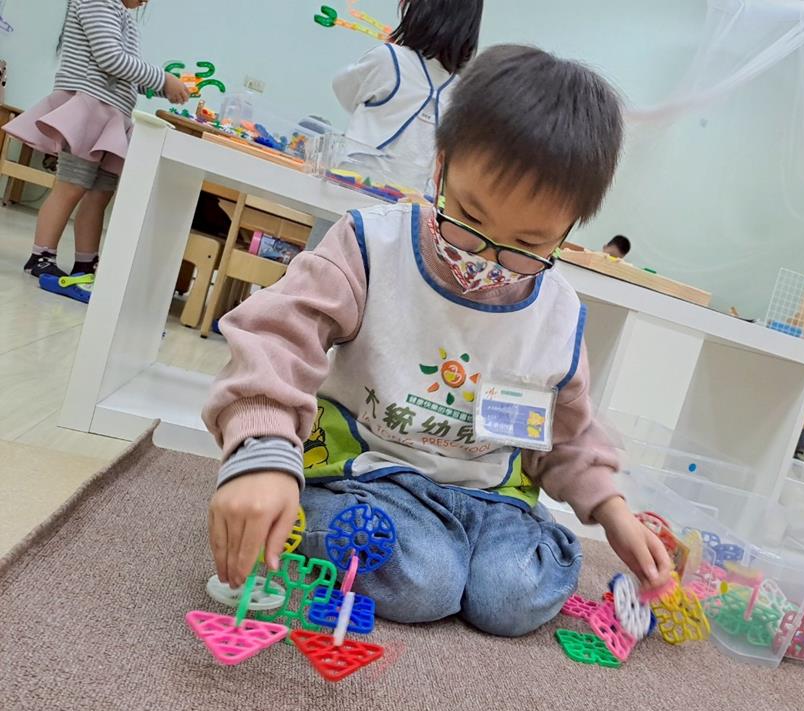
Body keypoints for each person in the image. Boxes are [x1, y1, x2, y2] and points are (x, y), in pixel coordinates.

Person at [203, 45, 674, 637]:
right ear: (441, 167)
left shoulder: (558, 312)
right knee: (425, 581)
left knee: (511, 596)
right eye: (468, 218)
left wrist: (612, 510)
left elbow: (568, 435)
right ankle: (331, 520)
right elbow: (277, 337)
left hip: (492, 498)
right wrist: (263, 451)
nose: (486, 259)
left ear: (569, 229)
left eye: (528, 245)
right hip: (370, 475)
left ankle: (457, 556)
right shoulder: (371, 245)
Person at [7, 0, 189, 279]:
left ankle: (86, 262)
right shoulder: (97, 2)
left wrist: (166, 87)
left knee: (100, 194)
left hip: (111, 116)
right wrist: (162, 78)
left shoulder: (123, 16)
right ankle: (41, 255)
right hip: (90, 110)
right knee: (71, 185)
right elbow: (110, 59)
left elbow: (124, 73)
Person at [306, 0, 483, 249]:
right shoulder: (461, 91)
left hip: (349, 192)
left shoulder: (388, 59)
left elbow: (343, 89)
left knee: (323, 262)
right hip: (407, 212)